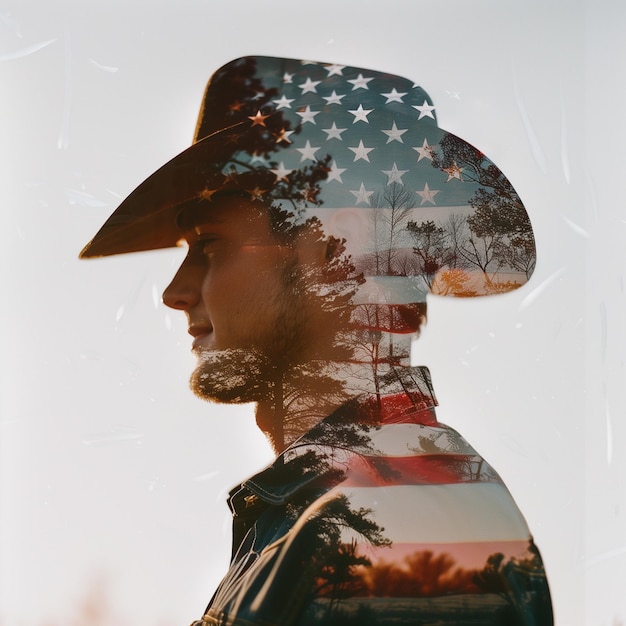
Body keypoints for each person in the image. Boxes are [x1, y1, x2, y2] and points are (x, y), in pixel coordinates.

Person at [81, 56, 553, 625]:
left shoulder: (390, 515)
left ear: (335, 252)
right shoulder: (335, 503)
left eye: (209, 244)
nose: (176, 292)